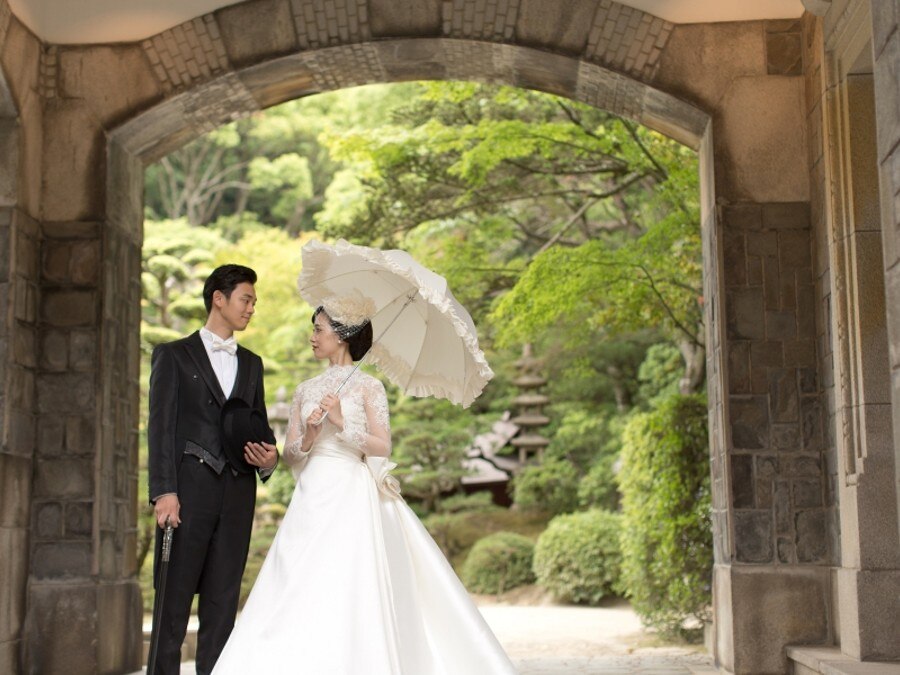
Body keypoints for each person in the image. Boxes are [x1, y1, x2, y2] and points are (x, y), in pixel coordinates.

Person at [212, 295, 517, 674]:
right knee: (298, 576)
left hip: (350, 491)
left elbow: (381, 445)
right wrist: (308, 434)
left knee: (347, 577)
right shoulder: (305, 389)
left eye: (318, 330)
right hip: (311, 495)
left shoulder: (370, 388)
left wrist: (342, 423)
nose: (312, 337)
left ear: (341, 336)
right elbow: (290, 454)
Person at [147, 264, 279, 675]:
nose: (252, 308)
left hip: (238, 494)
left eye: (254, 301)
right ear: (218, 299)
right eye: (246, 299)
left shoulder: (253, 364)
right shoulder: (172, 355)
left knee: (222, 607)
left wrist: (271, 458)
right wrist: (164, 490)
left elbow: (257, 424)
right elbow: (160, 428)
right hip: (187, 493)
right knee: (173, 602)